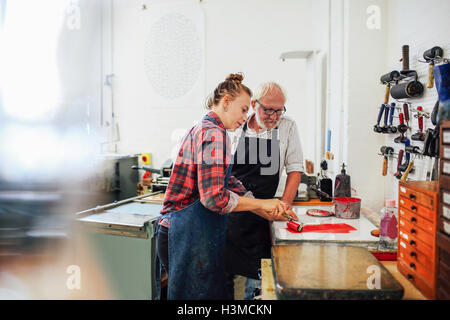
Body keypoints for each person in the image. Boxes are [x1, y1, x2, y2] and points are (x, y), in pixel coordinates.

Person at [155, 73, 297, 300]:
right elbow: (213, 198)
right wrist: (262, 202)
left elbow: (228, 181)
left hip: (184, 232)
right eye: (243, 109)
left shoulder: (205, 127)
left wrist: (264, 210)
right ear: (226, 102)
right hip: (185, 235)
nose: (245, 117)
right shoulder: (214, 133)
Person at [225, 82, 304, 300]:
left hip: (265, 218)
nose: (273, 115)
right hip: (232, 216)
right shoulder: (235, 127)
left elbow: (295, 169)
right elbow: (225, 177)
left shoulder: (288, 126)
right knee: (224, 279)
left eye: (279, 110)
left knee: (259, 284)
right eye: (268, 109)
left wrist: (285, 205)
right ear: (253, 104)